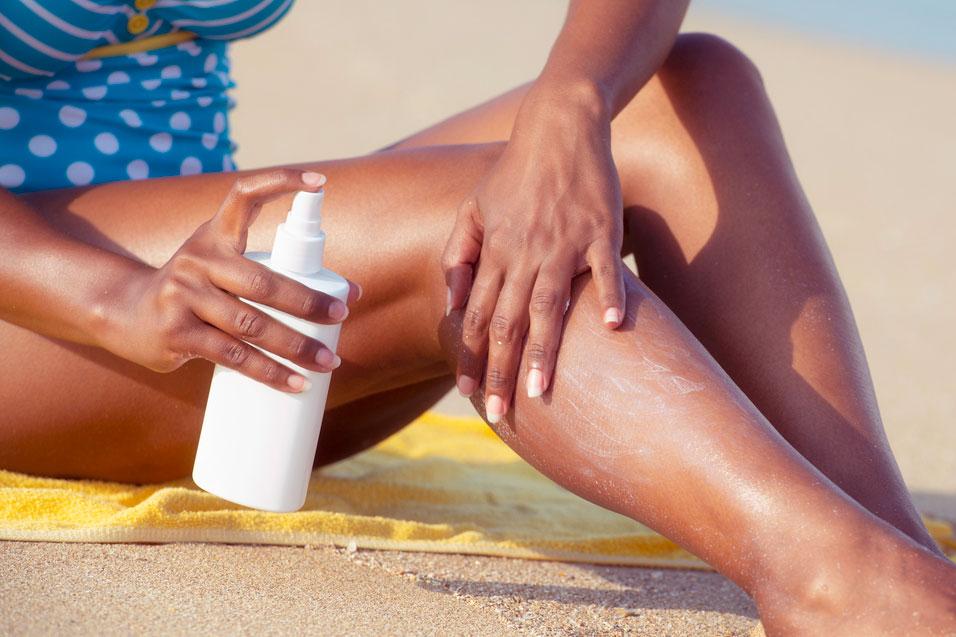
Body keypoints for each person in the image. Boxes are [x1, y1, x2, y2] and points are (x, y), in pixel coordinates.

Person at [1, 1, 954, 634]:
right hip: (46, 310)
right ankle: (829, 579)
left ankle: (889, 556)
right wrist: (116, 296)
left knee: (685, 94)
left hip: (204, 270)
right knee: (475, 220)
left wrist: (569, 109)